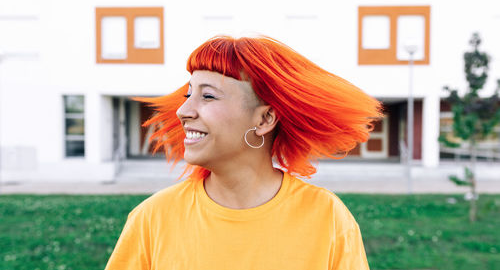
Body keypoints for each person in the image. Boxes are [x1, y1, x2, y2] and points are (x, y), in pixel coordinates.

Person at [105, 35, 383, 270]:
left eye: (208, 96)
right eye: (188, 95)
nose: (183, 111)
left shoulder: (328, 217)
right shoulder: (153, 217)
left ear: (264, 120)